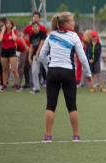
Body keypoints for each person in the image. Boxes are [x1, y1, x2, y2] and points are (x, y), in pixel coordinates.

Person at [38, 11, 92, 142]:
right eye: (72, 20)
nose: (74, 22)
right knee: (72, 105)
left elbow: (41, 56)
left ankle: (48, 135)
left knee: (50, 105)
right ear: (66, 23)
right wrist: (88, 74)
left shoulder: (51, 35)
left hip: (53, 72)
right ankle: (76, 135)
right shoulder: (74, 36)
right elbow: (82, 58)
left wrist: (50, 65)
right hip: (68, 72)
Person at [0, 18, 21, 92]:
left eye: (10, 23)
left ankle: (18, 85)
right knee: (4, 70)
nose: (9, 25)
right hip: (4, 51)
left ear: (12, 25)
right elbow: (0, 39)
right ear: (5, 24)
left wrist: (12, 31)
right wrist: (3, 30)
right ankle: (4, 85)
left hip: (12, 51)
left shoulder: (14, 31)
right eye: (7, 23)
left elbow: (15, 39)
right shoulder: (2, 32)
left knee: (14, 70)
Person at [28, 21, 47, 94]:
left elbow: (42, 43)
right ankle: (36, 88)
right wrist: (29, 57)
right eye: (33, 27)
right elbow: (31, 47)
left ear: (39, 27)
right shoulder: (31, 36)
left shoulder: (42, 33)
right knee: (34, 71)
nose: (34, 28)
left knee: (49, 70)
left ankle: (54, 86)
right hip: (35, 56)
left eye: (36, 26)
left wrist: (37, 52)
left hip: (44, 55)